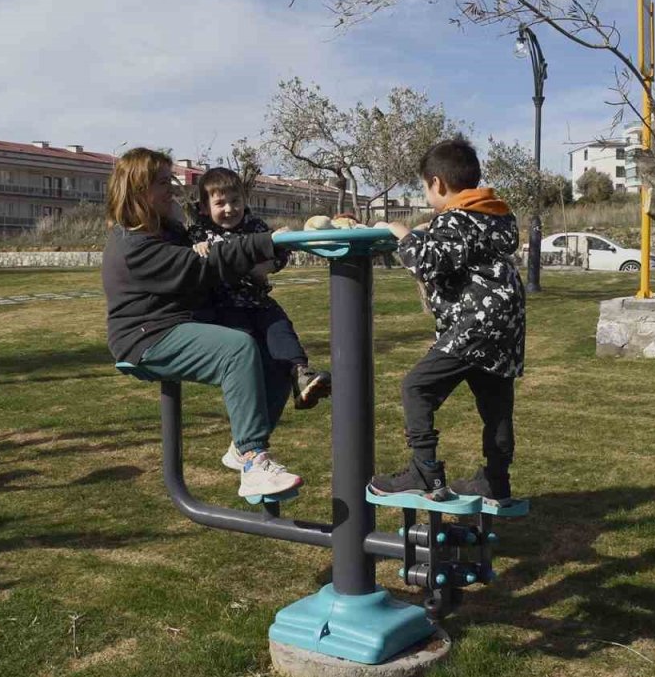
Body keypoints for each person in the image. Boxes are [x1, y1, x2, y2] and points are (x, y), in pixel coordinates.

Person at [102, 147, 302, 497]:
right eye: (163, 183)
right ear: (138, 190)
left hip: (181, 321)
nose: (173, 189)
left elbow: (213, 248)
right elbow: (203, 267)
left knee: (276, 356)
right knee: (236, 349)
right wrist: (266, 242)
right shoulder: (132, 244)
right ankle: (254, 461)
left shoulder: (168, 230)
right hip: (147, 336)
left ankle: (242, 449)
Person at [368, 135, 526, 504]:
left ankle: (424, 470)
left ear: (437, 184)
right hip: (504, 329)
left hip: (475, 325)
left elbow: (428, 263)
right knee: (496, 407)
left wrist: (403, 234)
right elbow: (458, 257)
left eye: (425, 188)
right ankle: (496, 481)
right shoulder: (491, 217)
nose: (427, 195)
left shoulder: (456, 219)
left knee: (416, 387)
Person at [186, 166, 332, 416]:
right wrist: (196, 246)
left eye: (235, 201)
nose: (230, 209)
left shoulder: (254, 225)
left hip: (257, 299)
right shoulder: (201, 232)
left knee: (280, 327)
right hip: (224, 304)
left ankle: (301, 374)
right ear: (204, 207)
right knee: (249, 349)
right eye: (220, 203)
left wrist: (269, 265)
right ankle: (248, 407)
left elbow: (279, 252)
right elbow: (190, 260)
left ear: (245, 200)